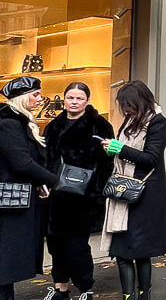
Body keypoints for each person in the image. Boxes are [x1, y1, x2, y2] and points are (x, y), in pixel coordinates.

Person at [43, 83, 114, 300]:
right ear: (63, 99)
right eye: (70, 97)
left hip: (85, 197)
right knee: (56, 243)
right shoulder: (53, 125)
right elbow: (47, 158)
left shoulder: (99, 125)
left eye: (79, 98)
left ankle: (86, 288)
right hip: (56, 195)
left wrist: (97, 188)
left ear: (87, 101)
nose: (74, 102)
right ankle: (60, 287)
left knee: (77, 245)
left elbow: (107, 162)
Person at [101, 81, 166, 300]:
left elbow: (151, 158)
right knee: (121, 251)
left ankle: (143, 294)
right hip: (123, 194)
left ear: (140, 102)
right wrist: (112, 149)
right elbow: (125, 153)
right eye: (124, 106)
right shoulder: (130, 121)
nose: (126, 110)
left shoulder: (158, 122)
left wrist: (121, 149)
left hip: (144, 196)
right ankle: (129, 296)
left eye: (128, 105)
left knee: (141, 253)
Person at [0, 77, 59, 300]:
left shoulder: (15, 121)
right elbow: (21, 162)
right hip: (9, 205)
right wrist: (55, 181)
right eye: (35, 95)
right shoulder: (8, 123)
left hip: (14, 200)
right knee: (6, 264)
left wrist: (38, 182)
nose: (39, 99)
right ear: (23, 98)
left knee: (7, 265)